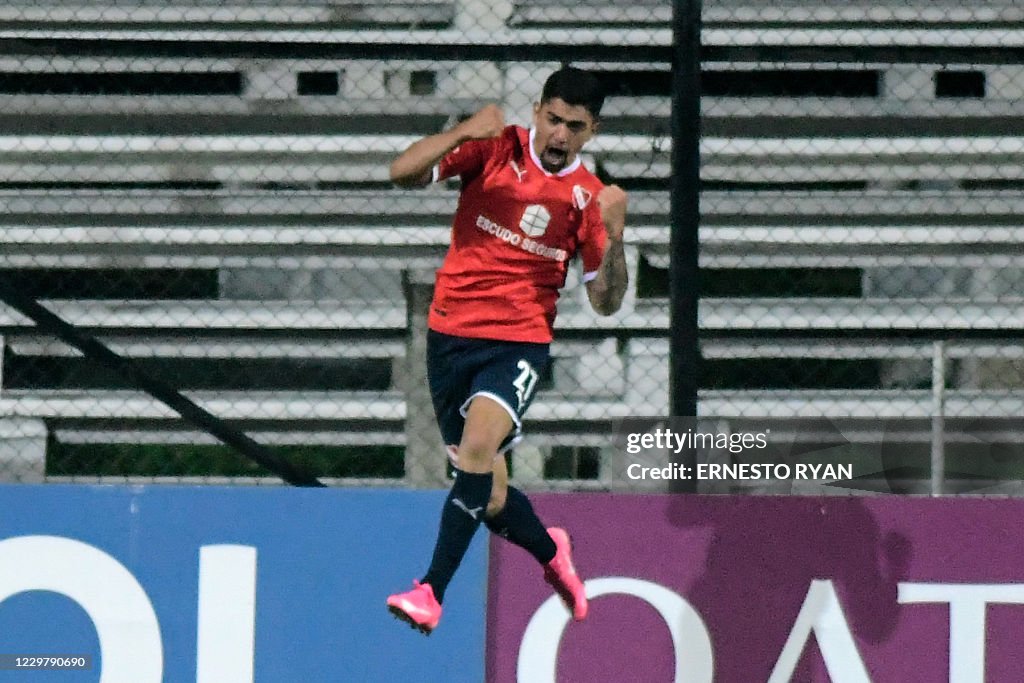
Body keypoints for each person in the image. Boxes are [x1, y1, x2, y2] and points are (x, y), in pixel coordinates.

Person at [385, 66, 628, 634]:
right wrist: (462, 130)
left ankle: (430, 590)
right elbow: (401, 173)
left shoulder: (590, 198)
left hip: (518, 342)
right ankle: (552, 551)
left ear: (593, 131)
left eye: (575, 125)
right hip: (449, 336)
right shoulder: (495, 148)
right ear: (537, 109)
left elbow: (606, 302)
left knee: (475, 453)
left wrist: (615, 237)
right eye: (552, 119)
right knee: (489, 495)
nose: (559, 134)